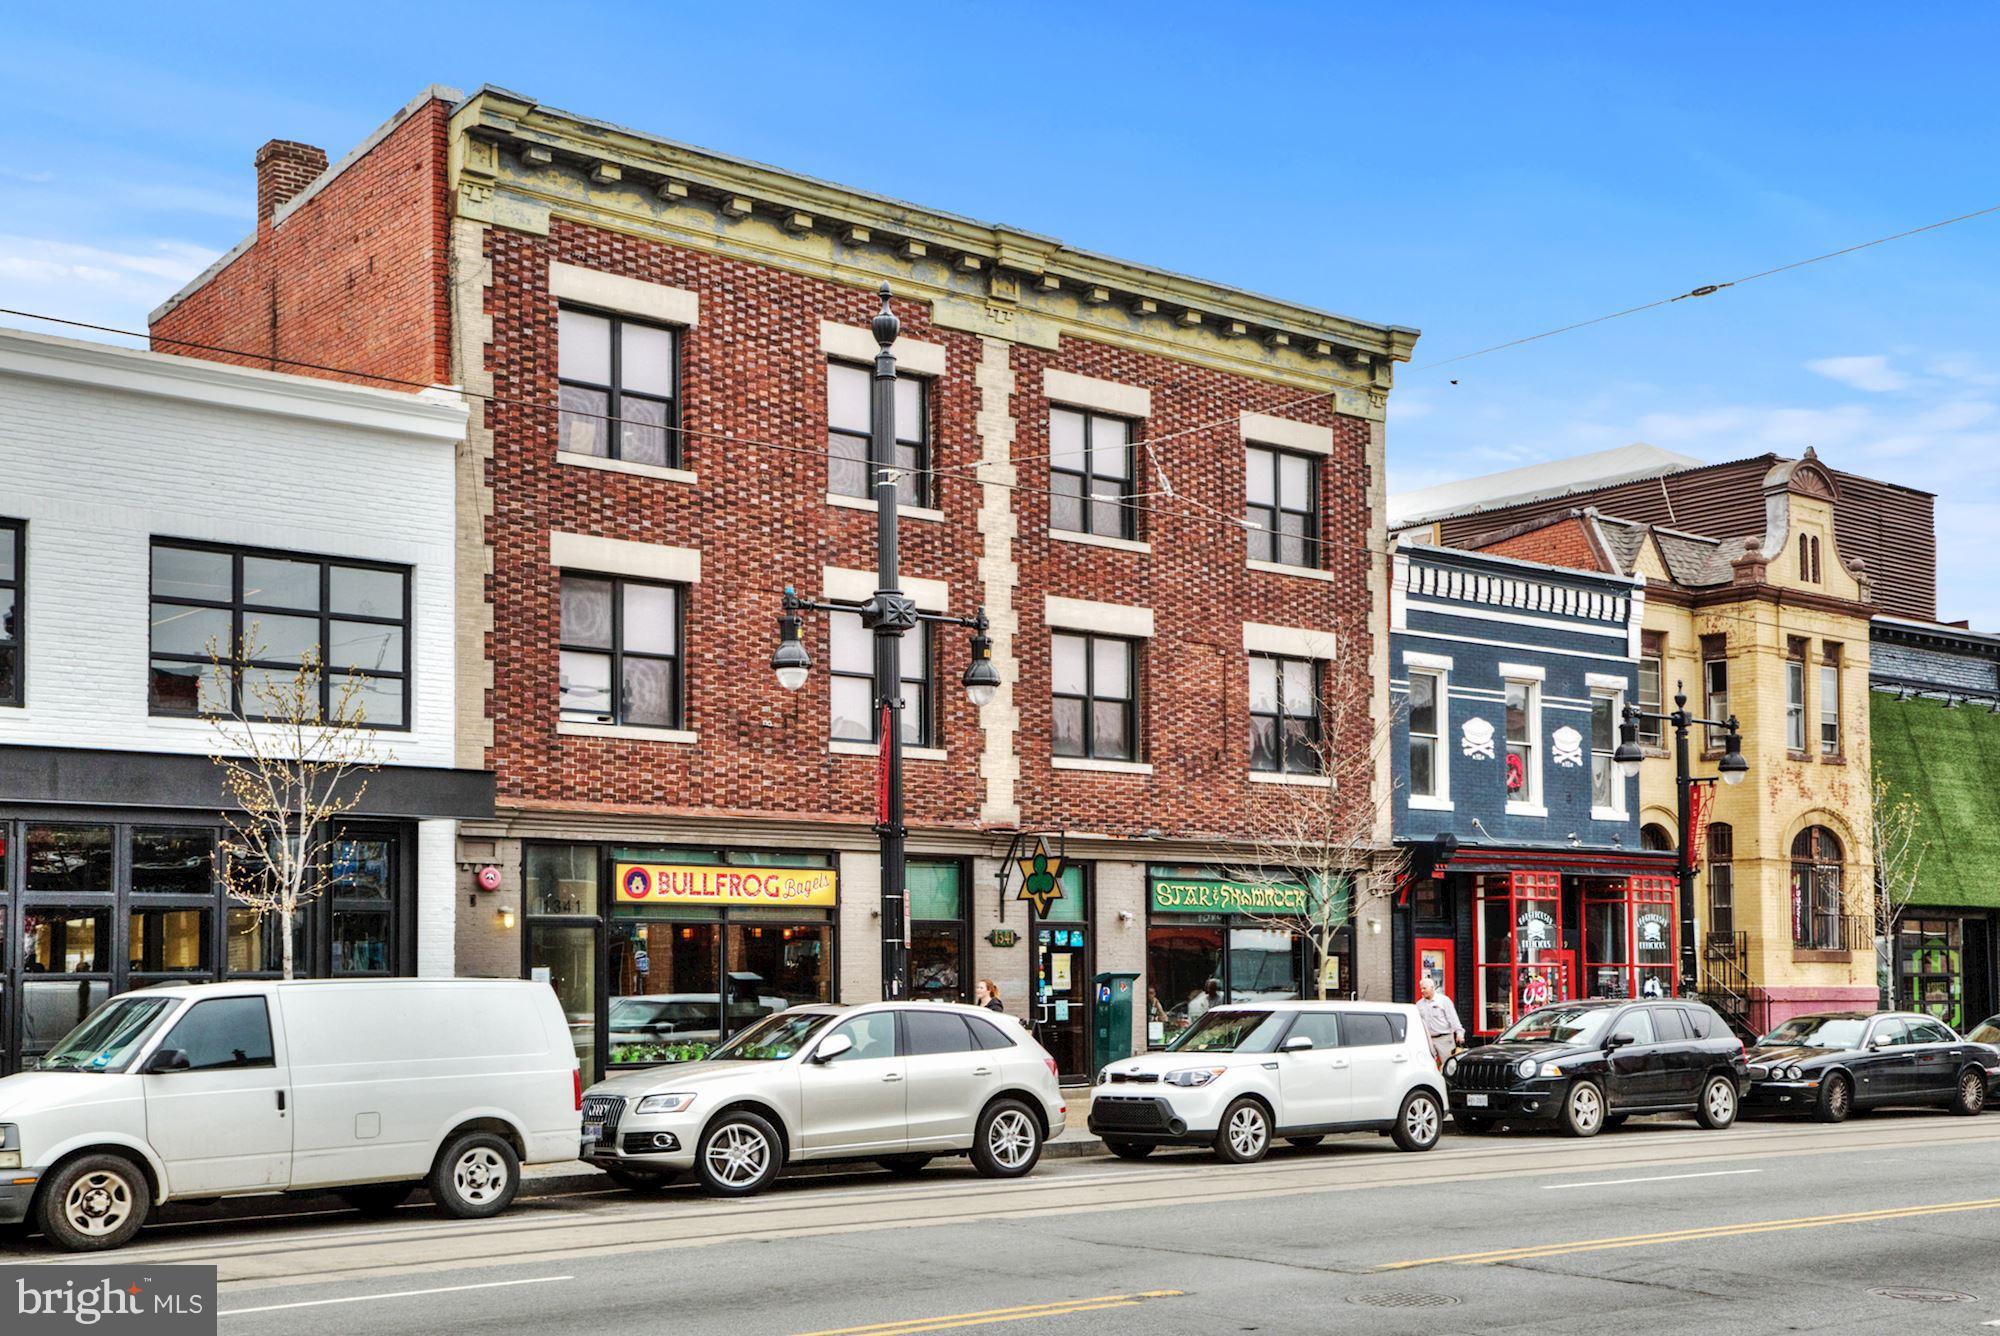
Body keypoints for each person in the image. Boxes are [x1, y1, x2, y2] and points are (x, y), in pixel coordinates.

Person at [1417, 973, 1464, 1065]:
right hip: (1428, 1040)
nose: (1422, 991)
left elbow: (1453, 1018)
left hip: (1444, 1039)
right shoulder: (1419, 1004)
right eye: (1421, 988)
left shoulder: (1444, 1001)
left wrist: (1459, 1033)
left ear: (1432, 987)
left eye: (1424, 988)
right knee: (1428, 1064)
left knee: (1448, 1064)